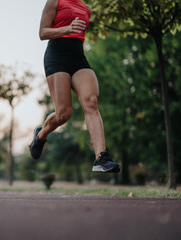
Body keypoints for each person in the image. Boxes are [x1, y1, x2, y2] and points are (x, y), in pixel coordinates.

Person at [29, 0, 120, 173]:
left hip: (78, 57)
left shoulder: (87, 9)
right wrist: (67, 29)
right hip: (56, 57)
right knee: (64, 114)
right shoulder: (54, 1)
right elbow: (42, 32)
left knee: (91, 102)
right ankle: (40, 136)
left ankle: (101, 157)